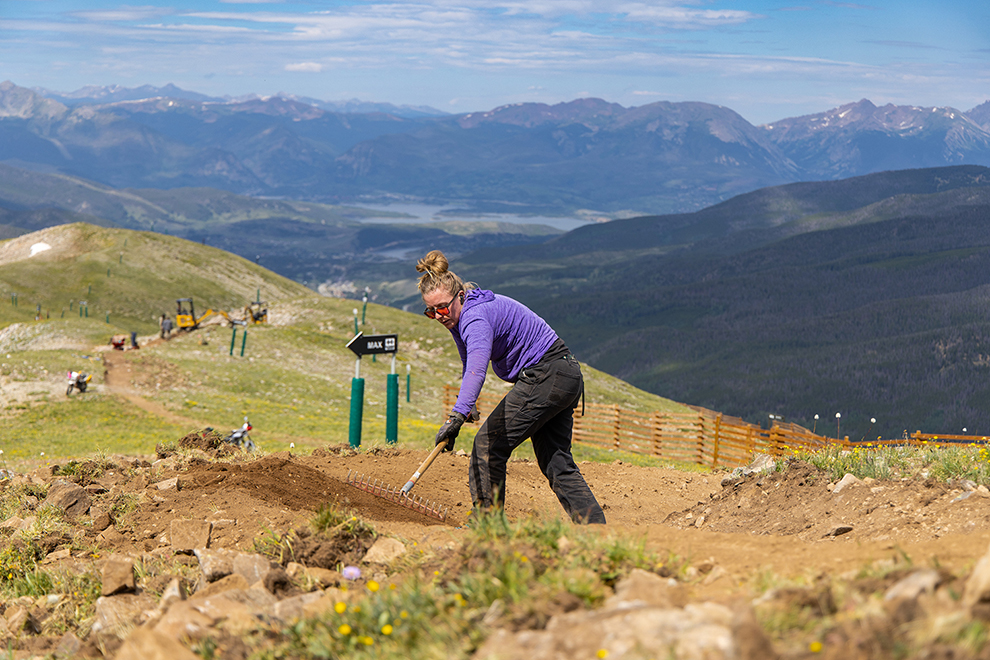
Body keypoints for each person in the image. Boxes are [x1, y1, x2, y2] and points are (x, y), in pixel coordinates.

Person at [417, 250, 605, 524]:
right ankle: (596, 528)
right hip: (564, 374)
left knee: (487, 446)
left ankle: (487, 526)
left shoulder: (474, 317)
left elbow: (477, 367)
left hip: (546, 375)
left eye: (442, 308)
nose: (439, 316)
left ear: (459, 296)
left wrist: (457, 415)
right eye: (430, 312)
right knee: (556, 460)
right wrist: (468, 407)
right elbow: (468, 361)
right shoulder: (462, 316)